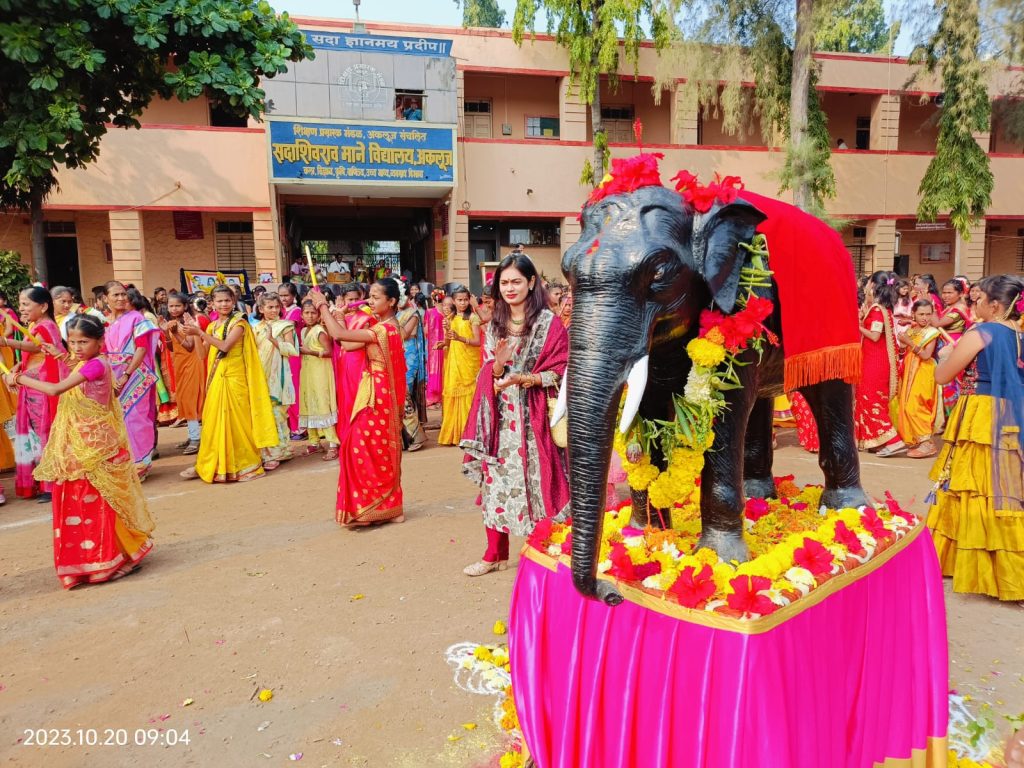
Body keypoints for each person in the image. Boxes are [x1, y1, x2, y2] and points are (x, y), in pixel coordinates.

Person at [10, 315, 154, 588]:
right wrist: (60, 355)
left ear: (100, 341)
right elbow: (78, 369)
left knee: (97, 500)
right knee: (92, 498)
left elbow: (56, 389)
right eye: (73, 342)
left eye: (83, 342)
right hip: (84, 442)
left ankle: (112, 558)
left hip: (93, 445)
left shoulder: (96, 364)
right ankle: (105, 557)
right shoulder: (89, 362)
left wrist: (18, 378)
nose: (76, 347)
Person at [460, 253, 570, 576]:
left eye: (516, 282)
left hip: (537, 419)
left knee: (542, 483)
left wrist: (525, 378)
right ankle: (494, 554)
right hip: (502, 420)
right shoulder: (495, 324)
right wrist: (497, 366)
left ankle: (550, 550)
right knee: (496, 484)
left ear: (531, 282)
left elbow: (562, 370)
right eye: (504, 283)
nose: (509, 288)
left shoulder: (548, 324)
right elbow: (489, 372)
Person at [927, 273, 1024, 601]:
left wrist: (945, 358)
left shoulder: (982, 332)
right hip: (1014, 414)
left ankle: (968, 561)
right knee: (1007, 489)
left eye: (980, 300)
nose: (975, 305)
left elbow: (943, 376)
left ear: (995, 305)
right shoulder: (1020, 334)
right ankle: (1010, 572)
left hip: (982, 414)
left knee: (973, 486)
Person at [308, 279, 407, 527]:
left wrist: (322, 306)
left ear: (391, 301)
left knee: (361, 446)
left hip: (377, 396)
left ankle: (381, 507)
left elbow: (339, 336)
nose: (370, 301)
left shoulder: (384, 330)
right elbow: (348, 344)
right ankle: (386, 507)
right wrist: (339, 317)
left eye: (375, 297)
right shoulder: (381, 327)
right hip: (373, 391)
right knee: (371, 448)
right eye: (370, 296)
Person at [179, 285, 278, 483]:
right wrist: (194, 333)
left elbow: (225, 346)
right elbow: (202, 354)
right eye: (219, 301)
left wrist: (200, 332)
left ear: (233, 302)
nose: (223, 304)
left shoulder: (239, 323)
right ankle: (213, 463)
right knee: (213, 423)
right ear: (212, 304)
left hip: (236, 380)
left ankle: (245, 465)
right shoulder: (212, 326)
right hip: (217, 379)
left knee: (238, 424)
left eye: (227, 300)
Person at [6, 286, 65, 501]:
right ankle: (43, 481)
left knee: (44, 434)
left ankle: (51, 484)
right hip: (34, 388)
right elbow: (33, 355)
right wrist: (18, 367)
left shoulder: (46, 326)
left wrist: (5, 342)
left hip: (42, 390)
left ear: (43, 306)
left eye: (26, 304)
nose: (21, 308)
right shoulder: (35, 325)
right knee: (37, 435)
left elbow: (35, 348)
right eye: (20, 304)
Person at [102, 281, 160, 479]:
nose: (121, 298)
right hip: (112, 376)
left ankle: (141, 463)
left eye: (123, 294)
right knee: (117, 419)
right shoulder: (106, 323)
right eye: (115, 295)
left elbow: (141, 348)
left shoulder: (137, 318)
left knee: (135, 418)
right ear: (105, 298)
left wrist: (127, 373)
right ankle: (124, 462)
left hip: (136, 375)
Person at [856, 271, 907, 456]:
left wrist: (856, 325)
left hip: (875, 362)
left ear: (874, 286)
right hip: (875, 360)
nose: (866, 286)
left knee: (870, 400)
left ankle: (893, 441)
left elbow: (875, 336)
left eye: (869, 282)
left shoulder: (877, 310)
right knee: (869, 399)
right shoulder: (882, 308)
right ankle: (875, 441)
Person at [253, 292, 297, 469]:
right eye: (269, 307)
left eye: (276, 307)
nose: (274, 310)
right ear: (261, 309)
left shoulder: (285, 326)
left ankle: (280, 451)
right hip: (260, 374)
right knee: (264, 413)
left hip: (278, 375)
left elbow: (292, 350)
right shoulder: (256, 328)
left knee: (278, 413)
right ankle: (267, 452)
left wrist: (273, 340)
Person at [895, 299, 941, 458]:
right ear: (913, 314)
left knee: (916, 405)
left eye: (928, 314)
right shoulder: (911, 330)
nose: (925, 318)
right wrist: (902, 346)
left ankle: (927, 442)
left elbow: (926, 355)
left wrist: (908, 342)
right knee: (906, 405)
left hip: (924, 371)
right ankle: (916, 439)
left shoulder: (932, 332)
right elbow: (903, 353)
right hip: (909, 370)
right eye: (921, 314)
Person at [163, 292, 206, 456]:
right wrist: (166, 333)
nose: (174, 309)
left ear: (185, 306)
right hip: (180, 365)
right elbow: (171, 347)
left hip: (192, 364)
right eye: (171, 306)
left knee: (190, 400)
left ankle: (196, 438)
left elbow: (189, 346)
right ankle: (192, 435)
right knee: (183, 399)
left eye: (177, 305)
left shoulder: (189, 322)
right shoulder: (173, 323)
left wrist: (174, 332)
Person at [438, 286, 482, 445]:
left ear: (469, 300)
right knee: (453, 392)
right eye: (459, 300)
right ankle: (453, 435)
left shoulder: (473, 318)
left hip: (469, 362)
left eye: (465, 300)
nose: (463, 303)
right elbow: (449, 341)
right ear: (453, 301)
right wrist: (443, 343)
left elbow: (477, 341)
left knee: (469, 395)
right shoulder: (450, 318)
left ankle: (469, 433)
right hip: (454, 360)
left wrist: (460, 338)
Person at [298, 299, 339, 460]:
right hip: (308, 372)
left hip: (321, 372)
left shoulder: (320, 331)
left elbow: (329, 352)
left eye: (313, 313)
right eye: (306, 313)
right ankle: (314, 442)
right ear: (301, 315)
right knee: (308, 402)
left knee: (323, 403)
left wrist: (310, 352)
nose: (310, 316)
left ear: (319, 314)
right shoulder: (303, 331)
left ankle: (333, 444)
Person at [934, 277, 974, 413]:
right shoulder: (950, 307)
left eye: (950, 293)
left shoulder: (958, 310)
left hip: (951, 345)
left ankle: (952, 414)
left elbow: (937, 323)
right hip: (944, 343)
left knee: (949, 380)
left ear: (960, 293)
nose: (945, 296)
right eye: (944, 292)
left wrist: (931, 307)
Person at [397, 288, 427, 451]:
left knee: (405, 394)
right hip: (396, 355)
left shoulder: (412, 314)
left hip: (409, 358)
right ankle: (404, 438)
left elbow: (405, 334)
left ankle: (417, 435)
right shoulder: (393, 313)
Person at [278, 283, 305, 440]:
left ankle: (300, 428)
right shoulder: (282, 311)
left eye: (286, 295)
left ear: (294, 296)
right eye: (281, 295)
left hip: (294, 355)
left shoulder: (296, 311)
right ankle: (290, 425)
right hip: (283, 354)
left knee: (293, 390)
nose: (283, 298)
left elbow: (286, 327)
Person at [424, 289, 447, 407]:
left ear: (433, 299)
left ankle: (433, 397)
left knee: (434, 367)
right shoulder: (448, 311)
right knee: (445, 366)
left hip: (433, 344)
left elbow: (426, 331)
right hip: (446, 342)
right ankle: (443, 395)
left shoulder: (429, 312)